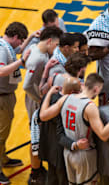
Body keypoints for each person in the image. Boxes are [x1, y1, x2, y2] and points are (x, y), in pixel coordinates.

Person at [39, 73, 109, 184]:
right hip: (84, 154)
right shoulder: (90, 107)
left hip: (68, 152)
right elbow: (103, 135)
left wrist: (49, 92)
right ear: (96, 89)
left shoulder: (66, 98)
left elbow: (43, 116)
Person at [23, 26, 63, 184]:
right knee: (36, 137)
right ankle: (35, 174)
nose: (57, 48)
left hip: (37, 98)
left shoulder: (36, 48)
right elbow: (26, 86)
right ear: (49, 41)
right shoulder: (38, 58)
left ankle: (37, 168)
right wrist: (39, 99)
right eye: (56, 44)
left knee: (38, 135)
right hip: (35, 101)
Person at [38, 76, 86, 185]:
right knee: (62, 180)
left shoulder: (48, 97)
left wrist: (49, 92)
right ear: (73, 92)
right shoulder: (66, 105)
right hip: (60, 149)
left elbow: (41, 115)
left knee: (51, 177)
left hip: (48, 146)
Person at [0, 21, 29, 184]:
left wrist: (31, 36)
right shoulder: (1, 49)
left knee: (4, 131)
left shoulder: (6, 45)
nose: (21, 44)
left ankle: (3, 158)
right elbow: (1, 71)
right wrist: (21, 62)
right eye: (22, 39)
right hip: (1, 97)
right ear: (16, 36)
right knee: (0, 134)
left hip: (6, 95)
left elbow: (17, 50)